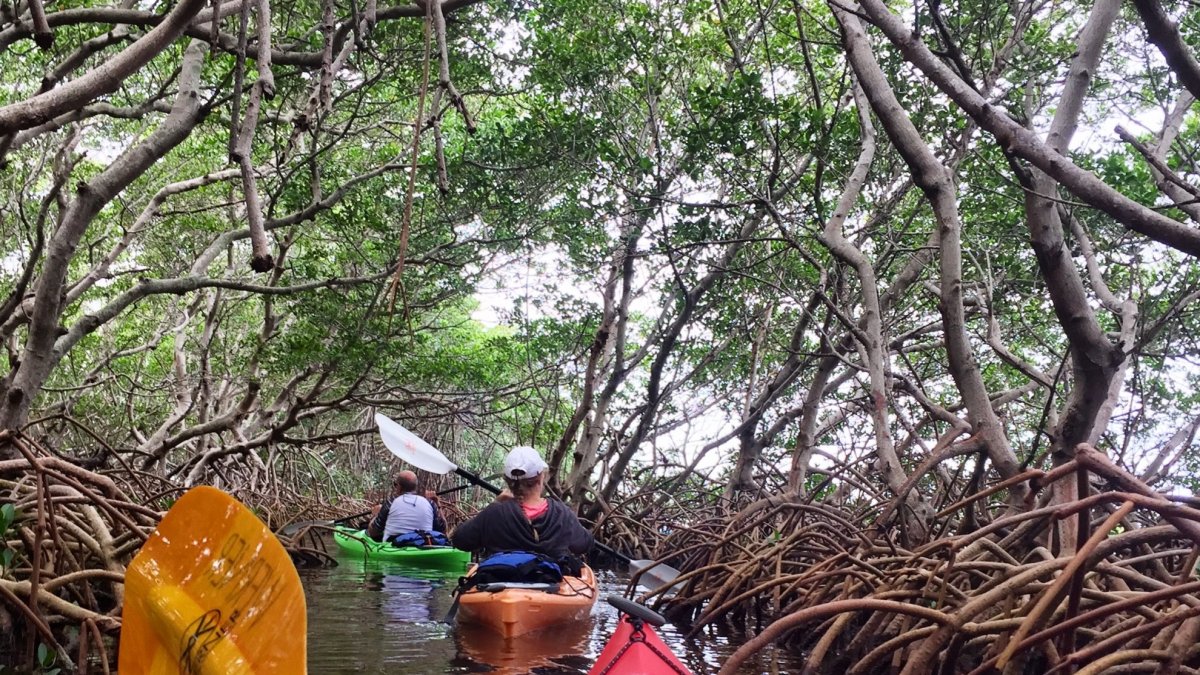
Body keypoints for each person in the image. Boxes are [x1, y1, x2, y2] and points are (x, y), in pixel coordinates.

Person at [451, 446, 593, 561]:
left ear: (507, 480)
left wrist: (495, 503)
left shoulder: (493, 513)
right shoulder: (562, 514)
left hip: (501, 588)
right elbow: (585, 544)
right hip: (550, 587)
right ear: (541, 477)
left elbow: (459, 540)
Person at [367, 470, 446, 543]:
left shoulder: (391, 502)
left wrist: (376, 515)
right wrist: (437, 503)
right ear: (415, 486)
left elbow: (373, 532)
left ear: (399, 487)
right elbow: (443, 531)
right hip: (423, 544)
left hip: (394, 546)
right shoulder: (430, 503)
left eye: (395, 484)